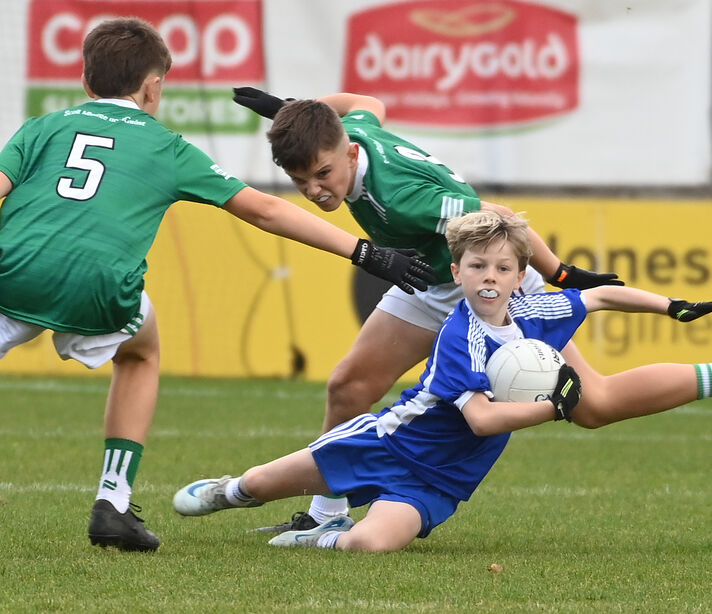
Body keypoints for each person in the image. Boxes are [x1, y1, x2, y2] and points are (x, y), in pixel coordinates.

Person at [231, 88, 712, 533]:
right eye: (302, 182)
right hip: (432, 277)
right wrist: (296, 111)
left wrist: (557, 274)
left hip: (485, 284)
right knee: (348, 386)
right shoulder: (353, 136)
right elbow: (367, 102)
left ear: (348, 154)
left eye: (322, 174)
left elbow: (498, 214)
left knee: (593, 404)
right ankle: (325, 516)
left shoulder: (399, 196)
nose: (315, 190)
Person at [0, 18, 435, 553]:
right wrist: (364, 251)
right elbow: (267, 210)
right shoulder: (168, 147)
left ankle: (115, 503)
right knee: (139, 354)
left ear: (86, 82)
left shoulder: (41, 128)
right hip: (102, 289)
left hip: (11, 272)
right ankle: (112, 503)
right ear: (153, 86)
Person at [172, 210, 712, 552]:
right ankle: (230, 490)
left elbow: (600, 294)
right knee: (261, 483)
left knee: (372, 545)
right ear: (456, 272)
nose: (489, 276)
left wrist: (670, 305)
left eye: (504, 268)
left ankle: (314, 540)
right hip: (387, 441)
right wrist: (556, 406)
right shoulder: (463, 336)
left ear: (519, 277)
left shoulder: (537, 314)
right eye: (477, 266)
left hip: (443, 478)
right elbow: (480, 418)